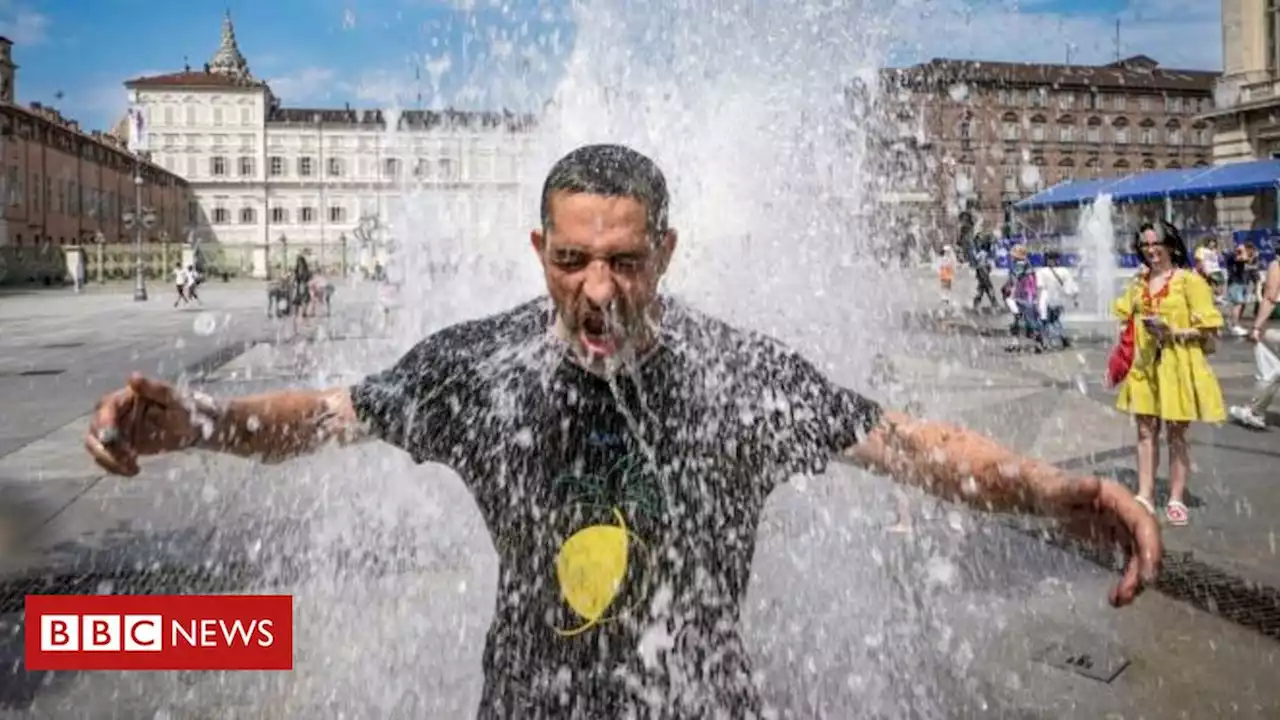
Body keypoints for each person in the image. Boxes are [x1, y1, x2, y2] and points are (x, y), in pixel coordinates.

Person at [85, 144, 1159, 718]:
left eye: (627, 261)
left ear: (668, 252)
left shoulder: (736, 377)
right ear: (537, 248)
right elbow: (327, 416)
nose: (597, 290)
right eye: (570, 260)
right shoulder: (482, 368)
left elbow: (906, 444)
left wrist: (1045, 489)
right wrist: (207, 421)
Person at [1113, 220, 1224, 527]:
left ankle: (1176, 496)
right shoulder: (1138, 283)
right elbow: (1124, 316)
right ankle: (1145, 494)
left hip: (1179, 365)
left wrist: (1174, 330)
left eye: (1155, 243)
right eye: (1145, 245)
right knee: (1145, 432)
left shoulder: (1189, 281)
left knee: (1176, 435)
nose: (1151, 250)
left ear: (1171, 246)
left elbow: (1210, 330)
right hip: (1146, 366)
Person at [1229, 251, 1280, 429]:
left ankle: (1255, 411)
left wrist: (1257, 327)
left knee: (1270, 369)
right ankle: (1255, 410)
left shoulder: (1277, 265)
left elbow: (1270, 297)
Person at [1035, 250, 1079, 350]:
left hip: (1046, 299)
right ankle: (1061, 339)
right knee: (1055, 320)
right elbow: (1071, 288)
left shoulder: (1042, 272)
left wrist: (1036, 301)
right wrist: (1074, 299)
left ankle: (1045, 342)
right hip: (1058, 300)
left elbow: (1040, 288)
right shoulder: (1064, 271)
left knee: (1045, 321)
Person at [1224, 241, 1259, 336]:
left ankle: (1233, 323)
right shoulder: (1236, 255)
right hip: (1235, 282)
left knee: (1242, 304)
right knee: (1238, 304)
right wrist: (1243, 250)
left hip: (1242, 282)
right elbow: (1243, 258)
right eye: (1250, 250)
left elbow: (1251, 264)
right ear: (1246, 249)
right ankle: (1235, 326)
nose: (1252, 252)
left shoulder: (1246, 257)